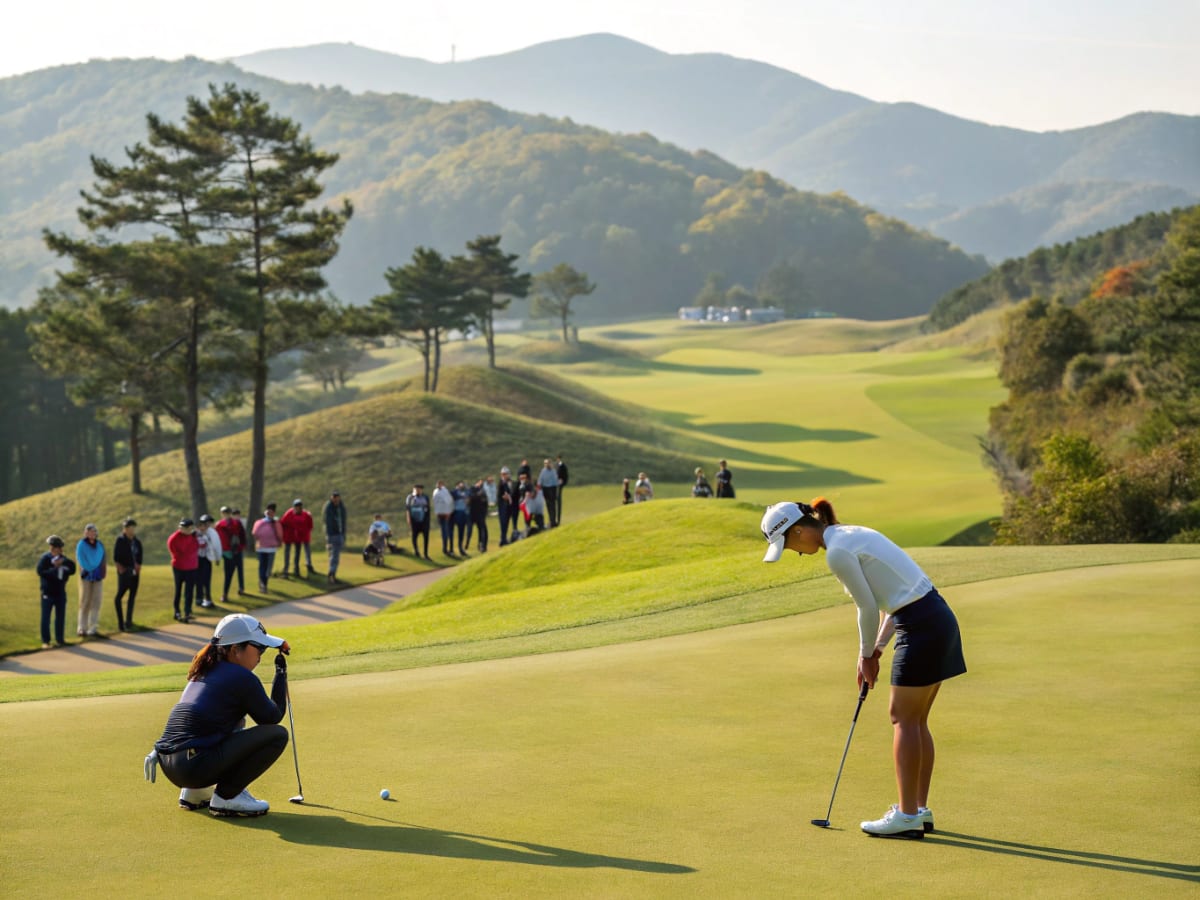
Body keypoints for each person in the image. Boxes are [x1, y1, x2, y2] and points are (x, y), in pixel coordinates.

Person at [760, 497, 966, 839]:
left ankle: (906, 814)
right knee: (915, 721)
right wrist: (877, 649)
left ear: (798, 530)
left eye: (789, 543)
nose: (794, 551)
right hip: (935, 618)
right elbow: (894, 599)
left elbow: (867, 608)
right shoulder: (851, 534)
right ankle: (917, 808)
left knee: (902, 719)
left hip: (921, 627)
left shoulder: (837, 552)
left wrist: (866, 654)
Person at [148, 614, 290, 817]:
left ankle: (195, 792)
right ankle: (228, 797)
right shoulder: (241, 677)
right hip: (193, 765)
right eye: (258, 648)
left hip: (170, 765)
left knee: (234, 723)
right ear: (235, 650)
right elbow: (272, 717)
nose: (261, 654)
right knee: (277, 735)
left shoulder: (203, 671)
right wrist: (281, 673)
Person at [37, 535, 76, 648]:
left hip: (60, 593)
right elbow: (40, 571)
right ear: (52, 548)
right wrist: (54, 568)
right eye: (57, 548)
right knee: (46, 618)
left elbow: (72, 568)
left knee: (60, 618)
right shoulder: (45, 559)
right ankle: (46, 641)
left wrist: (62, 563)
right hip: (47, 593)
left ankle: (60, 639)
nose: (59, 550)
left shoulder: (64, 560)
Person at [75, 523, 107, 637]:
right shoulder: (82, 545)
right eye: (89, 531)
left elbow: (103, 558)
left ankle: (93, 627)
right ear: (86, 533)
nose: (92, 533)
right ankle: (81, 628)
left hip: (97, 577)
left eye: (94, 531)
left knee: (96, 602)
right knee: (85, 601)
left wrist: (103, 571)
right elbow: (80, 558)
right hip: (86, 576)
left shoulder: (99, 545)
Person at [112, 517, 143, 632]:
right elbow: (116, 557)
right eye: (129, 528)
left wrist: (139, 565)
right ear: (124, 529)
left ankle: (128, 621)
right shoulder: (120, 540)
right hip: (125, 571)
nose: (131, 530)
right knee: (119, 596)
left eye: (133, 527)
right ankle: (120, 623)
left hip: (135, 572)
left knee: (132, 596)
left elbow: (140, 555)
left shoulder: (137, 541)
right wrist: (121, 568)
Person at [168, 519, 200, 623]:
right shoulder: (174, 538)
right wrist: (186, 556)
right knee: (178, 590)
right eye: (185, 528)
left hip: (192, 567)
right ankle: (177, 612)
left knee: (189, 591)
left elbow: (195, 549)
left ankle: (187, 612)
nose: (187, 530)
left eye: (189, 528)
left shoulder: (193, 537)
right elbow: (176, 553)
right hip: (179, 567)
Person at [215, 507, 247, 603]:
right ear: (221, 514)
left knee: (239, 569)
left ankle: (241, 588)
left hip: (236, 551)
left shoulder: (236, 523)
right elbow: (217, 540)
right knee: (228, 574)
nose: (226, 515)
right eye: (224, 513)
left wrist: (240, 547)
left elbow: (242, 536)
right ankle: (225, 594)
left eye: (227, 513)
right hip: (226, 552)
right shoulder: (219, 525)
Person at [252, 504, 283, 593]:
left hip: (268, 548)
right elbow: (255, 533)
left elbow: (255, 533)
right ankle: (263, 584)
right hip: (264, 548)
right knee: (264, 567)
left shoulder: (273, 523)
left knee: (266, 567)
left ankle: (263, 583)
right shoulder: (261, 522)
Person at [280, 499, 315, 578]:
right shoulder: (289, 513)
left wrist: (304, 533)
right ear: (294, 507)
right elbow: (283, 523)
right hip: (289, 536)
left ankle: (296, 569)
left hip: (298, 537)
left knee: (297, 554)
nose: (298, 508)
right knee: (287, 553)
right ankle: (286, 570)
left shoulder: (305, 514)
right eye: (297, 506)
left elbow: (309, 525)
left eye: (300, 506)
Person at [195, 515, 222, 608]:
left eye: (208, 522)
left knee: (206, 580)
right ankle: (198, 599)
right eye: (204, 523)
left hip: (207, 559)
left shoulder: (212, 533)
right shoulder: (196, 533)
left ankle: (208, 599)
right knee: (198, 580)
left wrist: (218, 558)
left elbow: (217, 546)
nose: (206, 525)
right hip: (197, 559)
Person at [323, 490, 348, 584]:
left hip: (340, 534)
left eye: (337, 497)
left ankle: (332, 573)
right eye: (334, 497)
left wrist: (344, 534)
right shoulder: (329, 507)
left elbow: (343, 520)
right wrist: (329, 535)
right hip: (333, 534)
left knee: (334, 555)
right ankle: (332, 573)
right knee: (334, 554)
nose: (336, 499)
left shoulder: (341, 507)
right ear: (332, 498)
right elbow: (328, 522)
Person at [405, 484, 431, 559]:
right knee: (414, 536)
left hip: (424, 520)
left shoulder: (425, 497)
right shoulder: (410, 498)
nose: (418, 491)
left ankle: (426, 554)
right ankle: (416, 551)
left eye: (419, 489)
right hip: (414, 520)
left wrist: (428, 520)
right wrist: (408, 518)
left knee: (426, 537)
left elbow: (428, 509)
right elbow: (407, 509)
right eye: (416, 489)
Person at [431, 480, 454, 556]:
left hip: (446, 514)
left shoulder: (445, 491)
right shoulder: (436, 492)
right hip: (440, 514)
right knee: (444, 531)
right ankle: (445, 548)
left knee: (447, 531)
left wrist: (448, 512)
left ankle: (448, 548)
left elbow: (448, 501)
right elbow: (435, 502)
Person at [496, 467, 517, 546]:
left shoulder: (508, 483)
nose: (504, 476)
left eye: (505, 474)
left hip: (507, 506)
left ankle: (504, 538)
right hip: (502, 507)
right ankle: (502, 539)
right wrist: (506, 497)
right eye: (503, 474)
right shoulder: (501, 483)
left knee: (506, 523)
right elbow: (502, 495)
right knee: (503, 523)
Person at [468, 478, 490, 553]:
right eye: (480, 483)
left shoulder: (483, 491)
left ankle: (482, 545)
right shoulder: (472, 489)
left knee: (483, 530)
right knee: (469, 530)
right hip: (473, 514)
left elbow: (485, 502)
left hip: (481, 514)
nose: (481, 485)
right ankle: (467, 544)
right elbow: (471, 497)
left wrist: (485, 511)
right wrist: (478, 494)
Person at [538, 458, 560, 528]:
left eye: (547, 463)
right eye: (545, 463)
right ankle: (551, 521)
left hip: (552, 489)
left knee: (553, 505)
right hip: (546, 489)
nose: (546, 464)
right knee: (549, 505)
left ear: (550, 463)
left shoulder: (553, 471)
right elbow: (540, 480)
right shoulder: (543, 471)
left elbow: (555, 480)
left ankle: (553, 521)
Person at [555, 454, 569, 524]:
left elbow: (565, 476)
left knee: (558, 501)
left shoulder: (563, 466)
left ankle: (558, 519)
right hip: (554, 485)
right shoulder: (556, 466)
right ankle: (555, 519)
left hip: (559, 485)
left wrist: (562, 482)